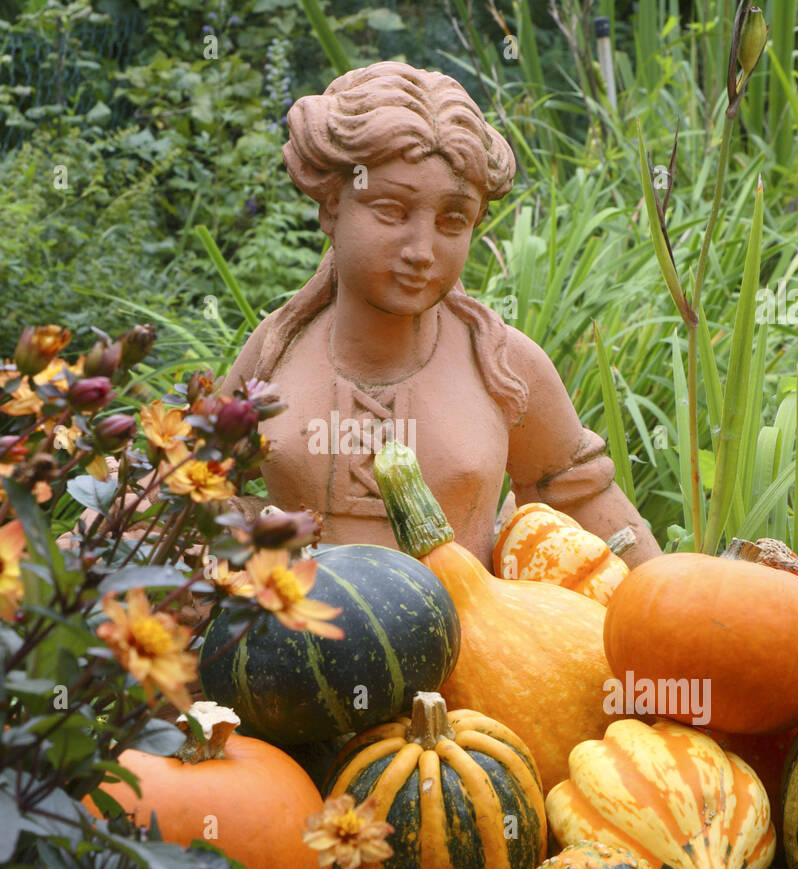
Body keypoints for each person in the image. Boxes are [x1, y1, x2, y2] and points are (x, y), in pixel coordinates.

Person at [219, 61, 661, 569]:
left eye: (453, 220)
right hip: (297, 642)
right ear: (332, 207)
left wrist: (669, 612)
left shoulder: (503, 366)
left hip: (471, 644)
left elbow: (582, 495)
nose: (421, 250)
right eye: (390, 210)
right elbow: (190, 481)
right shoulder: (276, 353)